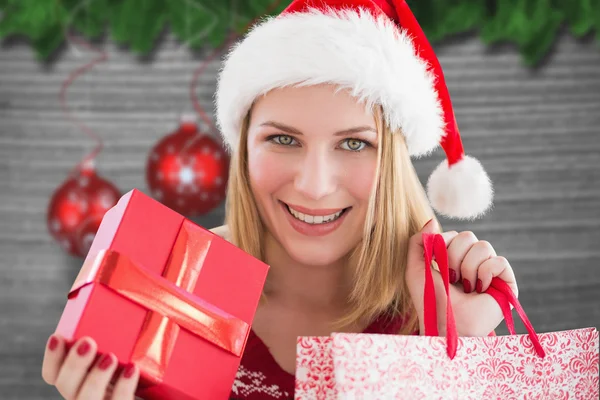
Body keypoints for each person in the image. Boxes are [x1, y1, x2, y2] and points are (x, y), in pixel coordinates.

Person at [41, 0, 519, 399]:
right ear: (244, 146)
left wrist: (461, 348)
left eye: (354, 143)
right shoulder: (176, 290)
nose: (313, 185)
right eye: (283, 140)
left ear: (393, 161)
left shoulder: (439, 305)